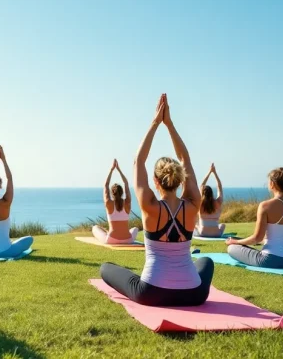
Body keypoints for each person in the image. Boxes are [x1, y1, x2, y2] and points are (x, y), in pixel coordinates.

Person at [100, 94, 214, 307]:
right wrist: (169, 125)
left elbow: (139, 161)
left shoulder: (149, 205)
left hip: (152, 293)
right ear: (181, 179)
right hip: (193, 295)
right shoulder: (192, 204)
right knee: (206, 261)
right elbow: (185, 159)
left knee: (106, 268)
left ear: (155, 180)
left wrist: (155, 122)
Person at [226, 168, 283, 268]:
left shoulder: (265, 206)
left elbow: (257, 238)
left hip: (271, 260)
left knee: (232, 248)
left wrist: (235, 242)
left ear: (272, 184)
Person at [92, 159, 139, 244]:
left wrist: (111, 169)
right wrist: (119, 170)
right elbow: (126, 183)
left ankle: (106, 232)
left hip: (111, 240)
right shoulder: (127, 202)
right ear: (122, 192)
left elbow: (106, 184)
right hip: (128, 239)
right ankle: (108, 232)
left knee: (95, 228)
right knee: (135, 229)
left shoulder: (108, 203)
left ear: (112, 193)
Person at [195, 163, 226, 237]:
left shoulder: (200, 204)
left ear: (202, 194)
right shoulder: (218, 202)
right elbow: (219, 186)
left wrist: (209, 172)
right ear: (211, 193)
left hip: (202, 233)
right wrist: (214, 173)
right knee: (222, 225)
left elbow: (201, 186)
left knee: (195, 225)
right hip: (217, 234)